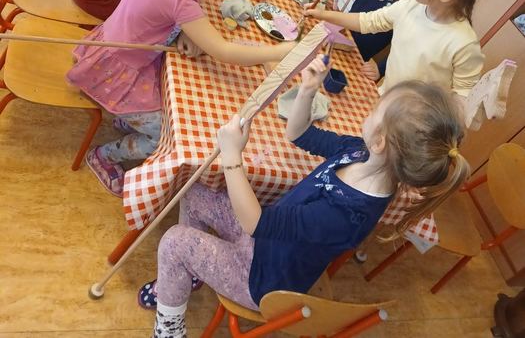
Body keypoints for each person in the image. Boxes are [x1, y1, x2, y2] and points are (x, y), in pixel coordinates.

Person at [137, 56, 469, 338]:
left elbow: (256, 223)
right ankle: (191, 273)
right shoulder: (359, 151)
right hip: (265, 241)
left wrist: (232, 157)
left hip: (263, 280)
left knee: (175, 242)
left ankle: (169, 329)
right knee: (195, 191)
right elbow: (299, 134)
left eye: (374, 111)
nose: (368, 114)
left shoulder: (347, 215)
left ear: (381, 141)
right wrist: (308, 90)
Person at [67, 0, 293, 197]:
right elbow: (223, 51)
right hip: (118, 68)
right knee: (165, 134)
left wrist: (182, 30)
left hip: (112, 46)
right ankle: (104, 156)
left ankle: (128, 118)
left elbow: (165, 9)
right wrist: (279, 51)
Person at [307, 0, 495, 102]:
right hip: (385, 96)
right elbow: (367, 21)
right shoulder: (411, 5)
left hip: (414, 118)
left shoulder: (464, 44)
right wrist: (322, 14)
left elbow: (463, 97)